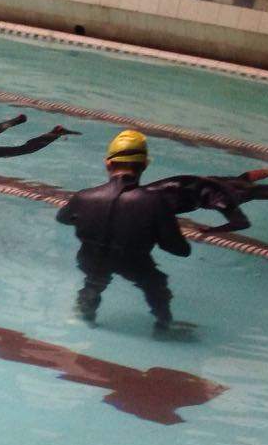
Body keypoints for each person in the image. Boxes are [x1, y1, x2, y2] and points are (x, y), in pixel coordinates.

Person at [56, 130, 192, 336]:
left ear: (108, 164)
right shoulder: (155, 202)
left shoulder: (84, 197)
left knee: (94, 281)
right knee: (156, 286)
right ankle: (164, 325)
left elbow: (63, 218)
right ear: (145, 164)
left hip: (90, 258)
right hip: (134, 261)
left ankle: (83, 314)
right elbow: (179, 249)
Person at [144, 168, 268, 233]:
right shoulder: (155, 194)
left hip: (235, 191)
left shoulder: (224, 201)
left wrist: (212, 230)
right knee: (244, 178)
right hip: (211, 182)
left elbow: (242, 224)